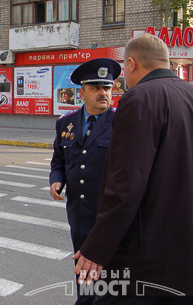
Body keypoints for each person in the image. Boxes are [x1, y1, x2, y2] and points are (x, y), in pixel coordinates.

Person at [74, 33, 193, 303]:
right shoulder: (188, 93)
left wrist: (97, 247)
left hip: (147, 255)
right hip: (184, 252)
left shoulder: (139, 98)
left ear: (131, 64)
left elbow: (126, 184)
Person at [50, 58, 121, 305]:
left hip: (109, 218)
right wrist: (56, 180)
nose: (103, 93)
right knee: (84, 275)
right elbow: (58, 158)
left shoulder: (121, 122)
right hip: (79, 216)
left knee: (111, 280)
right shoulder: (65, 123)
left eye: (107, 88)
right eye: (96, 88)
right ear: (82, 92)